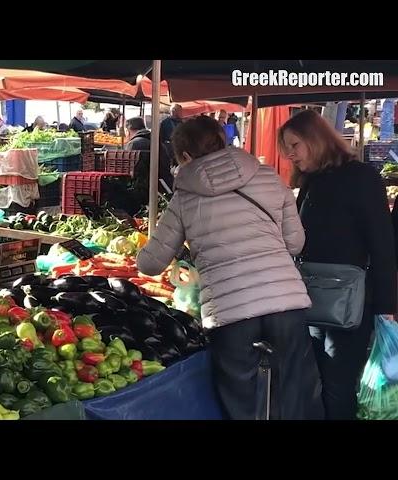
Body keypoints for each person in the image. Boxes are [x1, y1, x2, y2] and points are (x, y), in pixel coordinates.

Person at [137, 115, 323, 420]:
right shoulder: (268, 177)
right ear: (222, 141)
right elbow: (294, 243)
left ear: (184, 157)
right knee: (295, 390)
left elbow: (151, 264)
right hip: (285, 304)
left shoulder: (184, 197)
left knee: (242, 398)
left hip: (230, 313)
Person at [279, 109, 397, 420]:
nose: (289, 155)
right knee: (318, 379)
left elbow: (383, 246)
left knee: (338, 384)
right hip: (314, 299)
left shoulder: (361, 177)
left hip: (353, 304)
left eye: (294, 145)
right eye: (287, 148)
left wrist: (386, 307)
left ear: (315, 140)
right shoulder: (310, 181)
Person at [124, 117, 173, 212]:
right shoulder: (156, 142)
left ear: (128, 130)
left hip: (143, 190)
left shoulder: (134, 144)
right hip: (161, 187)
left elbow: (132, 169)